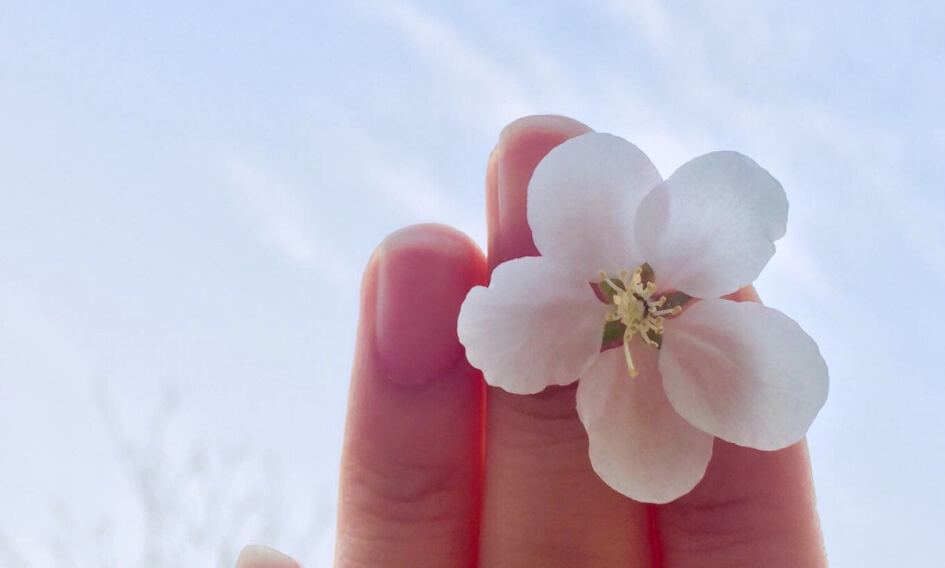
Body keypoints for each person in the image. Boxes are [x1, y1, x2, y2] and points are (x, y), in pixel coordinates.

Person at [235, 115, 827, 568]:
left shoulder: (707, 358)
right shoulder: (594, 289)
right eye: (633, 299)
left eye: (641, 305)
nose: (637, 307)